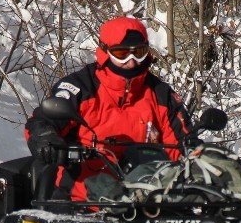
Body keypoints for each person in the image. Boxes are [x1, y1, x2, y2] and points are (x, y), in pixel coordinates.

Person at [25, 16, 194, 202]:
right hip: (81, 200)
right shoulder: (81, 88)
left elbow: (185, 143)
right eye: (122, 54)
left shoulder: (160, 94)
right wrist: (45, 137)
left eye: (139, 52)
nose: (132, 62)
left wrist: (204, 159)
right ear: (105, 51)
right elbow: (42, 121)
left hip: (147, 202)